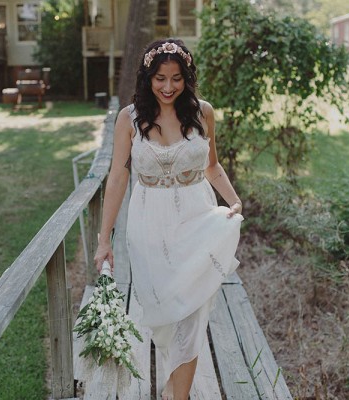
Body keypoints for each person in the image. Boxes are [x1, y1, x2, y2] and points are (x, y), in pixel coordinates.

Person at [94, 38, 243, 399]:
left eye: (176, 78)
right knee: (165, 320)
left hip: (197, 222)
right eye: (160, 78)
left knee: (191, 318)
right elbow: (117, 176)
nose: (168, 86)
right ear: (148, 77)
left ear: (186, 77)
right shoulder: (129, 118)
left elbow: (212, 165)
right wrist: (103, 239)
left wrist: (234, 201)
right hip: (148, 229)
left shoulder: (202, 112)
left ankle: (180, 396)